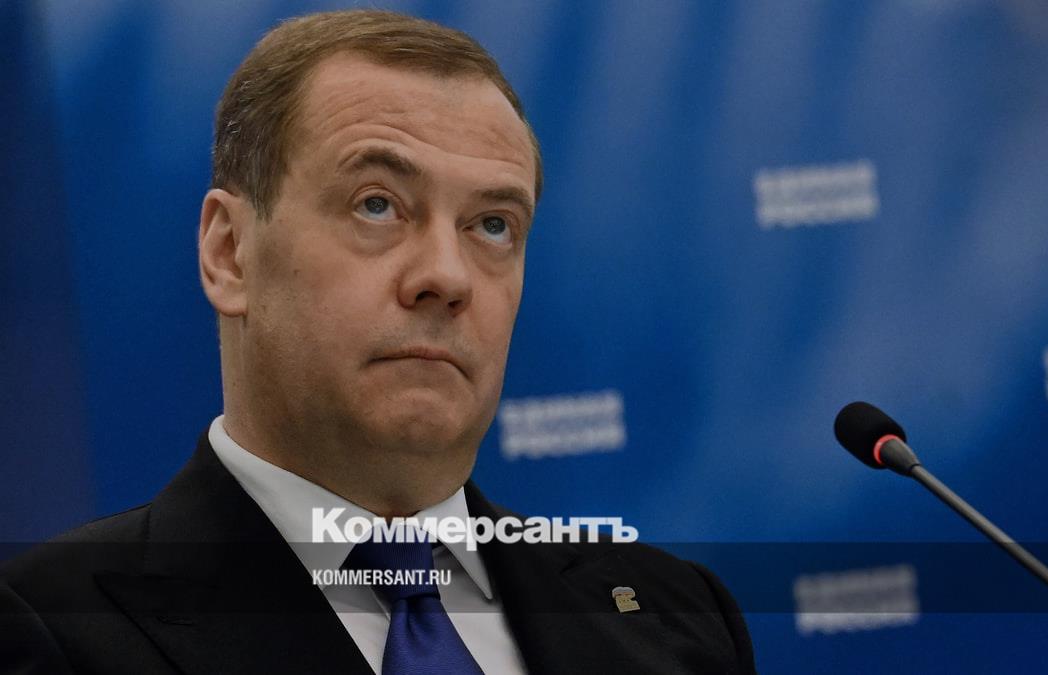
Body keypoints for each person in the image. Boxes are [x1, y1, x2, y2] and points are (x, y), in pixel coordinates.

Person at [0, 10, 755, 674]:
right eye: (377, 205)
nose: (446, 276)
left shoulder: (677, 616)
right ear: (229, 253)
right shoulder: (50, 630)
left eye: (493, 224)